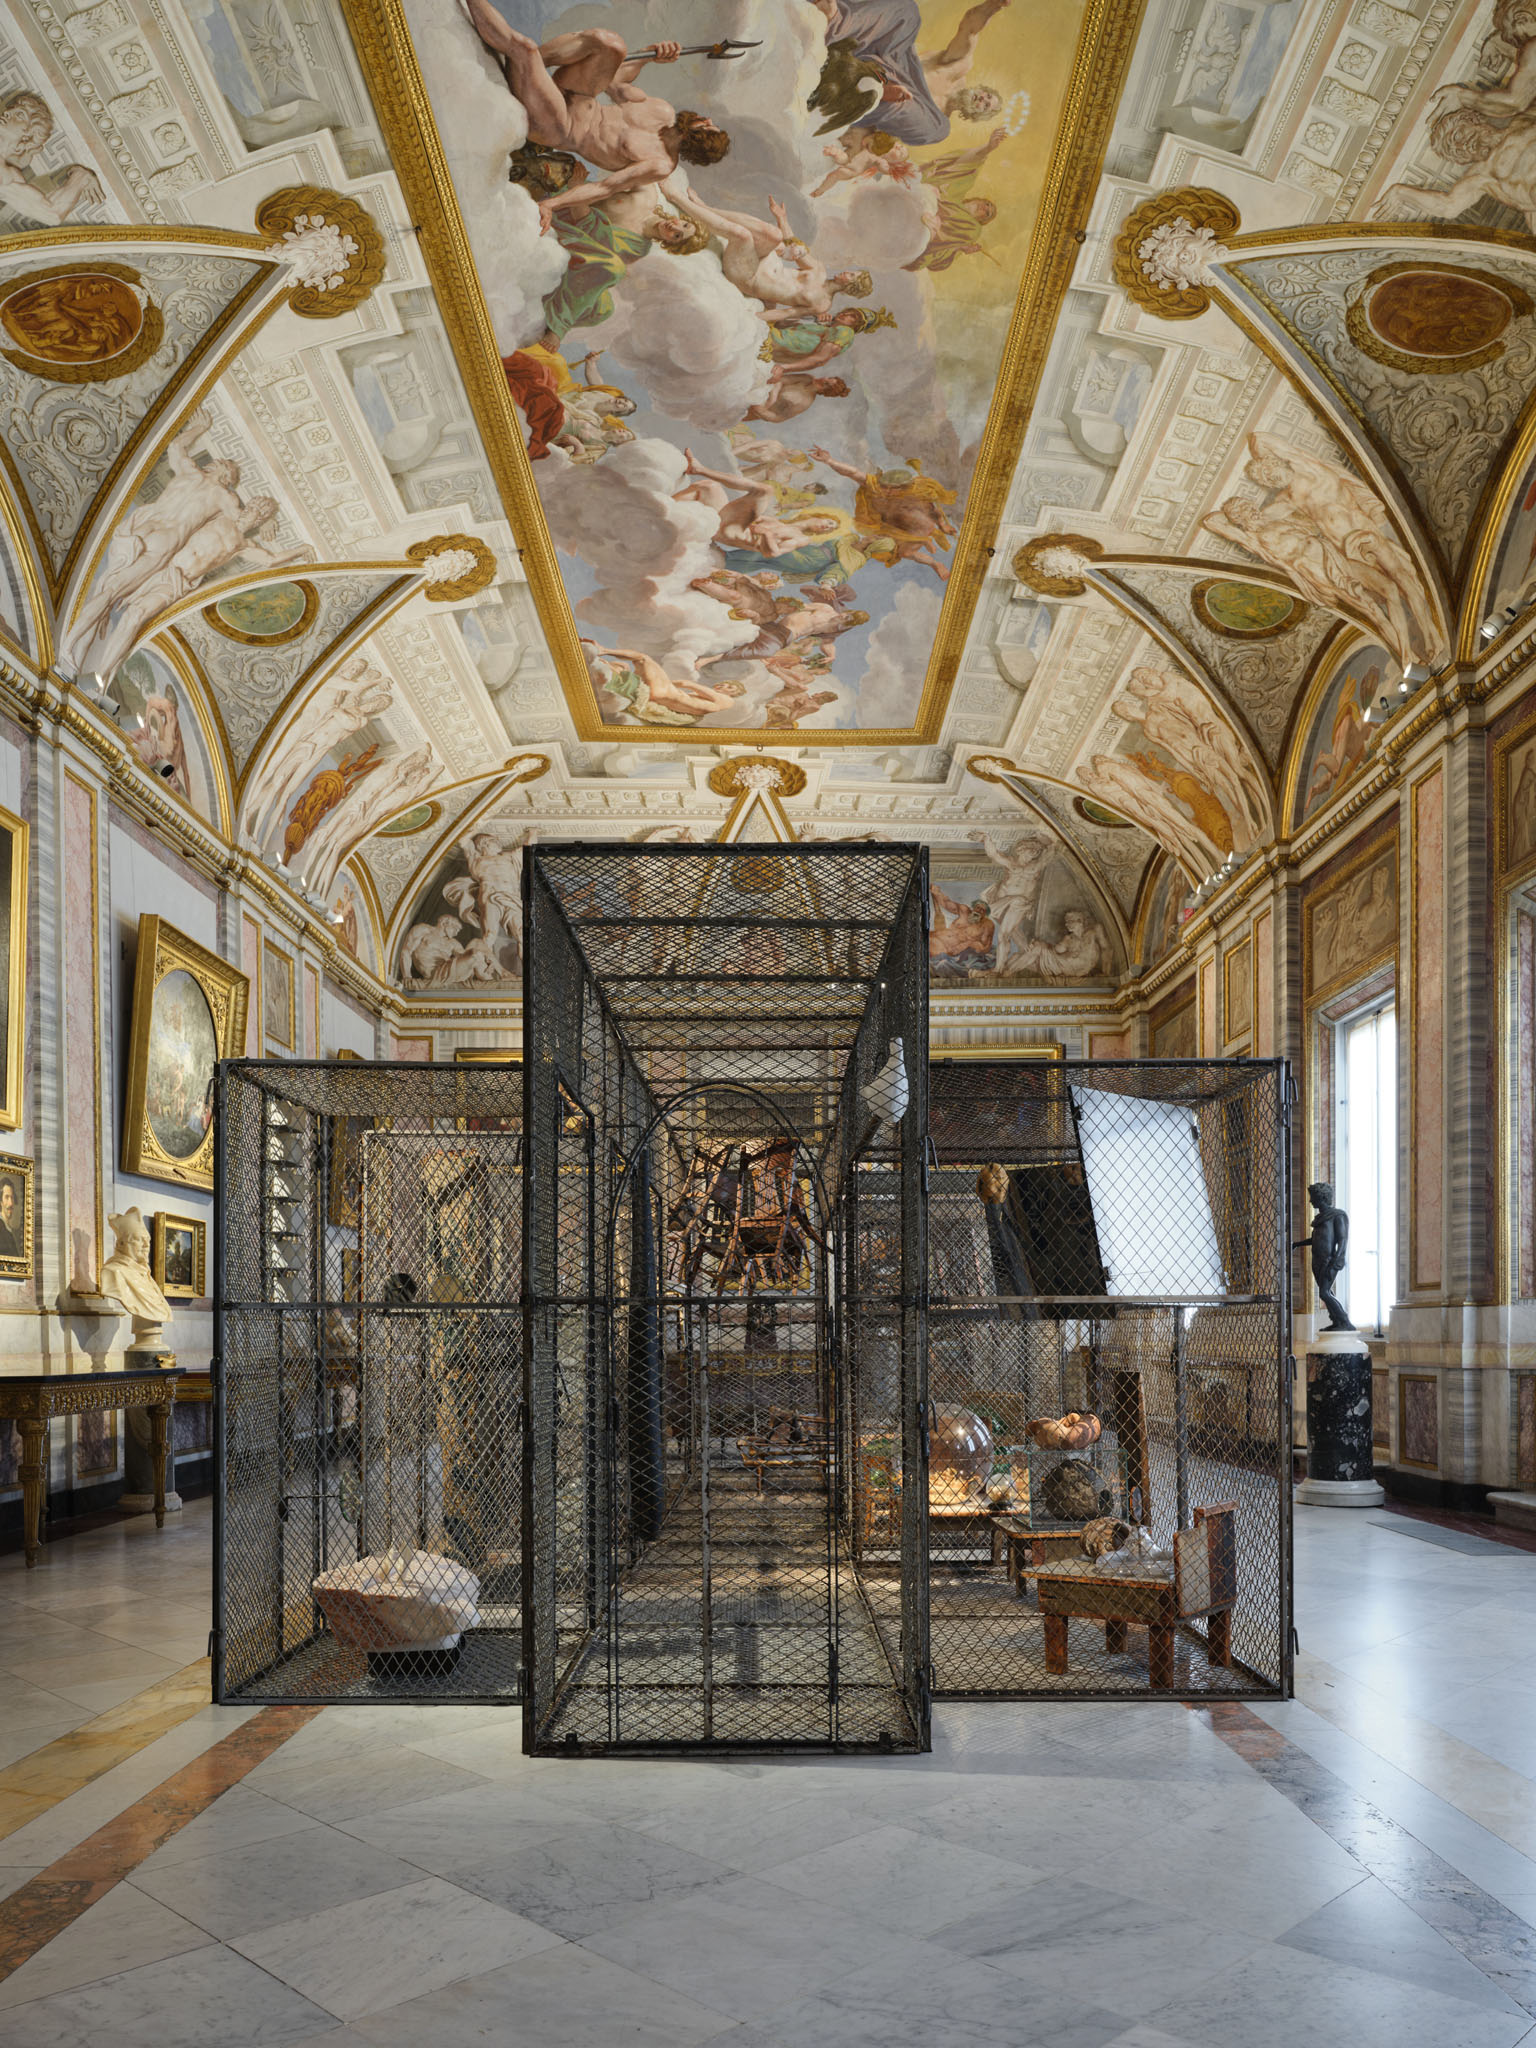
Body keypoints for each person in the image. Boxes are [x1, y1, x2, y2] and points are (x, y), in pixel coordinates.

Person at [463, 0, 730, 233]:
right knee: (611, 45)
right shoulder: (662, 111)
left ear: (698, 141)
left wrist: (550, 204)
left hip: (560, 127)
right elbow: (614, 81)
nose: (706, 120)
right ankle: (531, 70)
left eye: (708, 128)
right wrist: (650, 56)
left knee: (524, 48)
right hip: (575, 94)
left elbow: (606, 188)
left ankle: (524, 63)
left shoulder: (660, 164)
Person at [671, 187, 872, 318]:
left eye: (852, 276)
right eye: (852, 272)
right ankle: (705, 208)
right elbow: (795, 247)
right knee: (773, 234)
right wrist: (782, 219)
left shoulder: (821, 305)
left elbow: (785, 314)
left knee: (742, 235)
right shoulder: (818, 269)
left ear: (850, 287)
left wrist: (751, 318)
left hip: (749, 276)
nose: (847, 272)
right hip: (761, 259)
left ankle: (679, 199)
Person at [905, 128, 1005, 271]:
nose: (985, 208)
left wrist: (959, 247)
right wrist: (988, 148)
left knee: (974, 231)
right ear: (978, 199)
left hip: (913, 235)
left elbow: (935, 264)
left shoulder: (969, 230)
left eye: (987, 213)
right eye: (987, 204)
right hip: (909, 200)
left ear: (982, 220)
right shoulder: (956, 190)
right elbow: (964, 165)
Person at [0, 89, 101, 227]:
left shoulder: (7, 176)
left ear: (25, 139)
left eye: (19, 115)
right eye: (10, 110)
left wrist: (79, 178)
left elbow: (52, 215)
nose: (6, 113)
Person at [1294, 1181, 1352, 1330]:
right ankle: (1336, 1321)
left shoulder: (1337, 1215)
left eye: (1312, 1197)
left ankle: (1345, 1322)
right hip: (1318, 1261)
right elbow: (1316, 1240)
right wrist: (1297, 1244)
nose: (1310, 1200)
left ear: (1321, 1197)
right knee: (1326, 1292)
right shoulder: (1320, 1219)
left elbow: (1342, 1239)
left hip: (1330, 1260)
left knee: (1324, 1293)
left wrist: (1337, 1259)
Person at [0, 1177, 22, 1259]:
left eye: (12, 1197)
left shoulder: (10, 1230)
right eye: (6, 1197)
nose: (11, 1203)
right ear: (0, 1201)